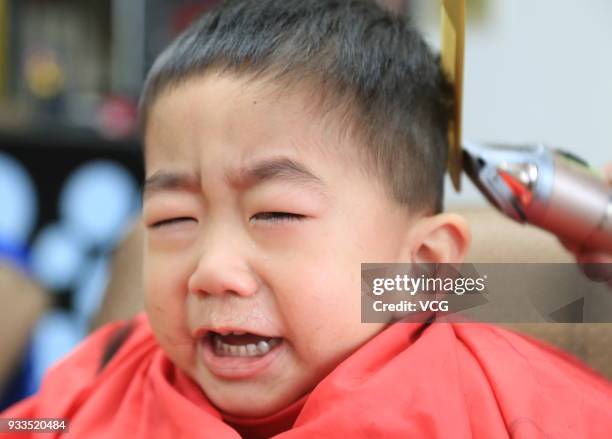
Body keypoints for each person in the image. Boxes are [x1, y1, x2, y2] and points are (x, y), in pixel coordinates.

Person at [2, 0, 611, 437]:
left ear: (423, 265)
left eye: (275, 213)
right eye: (172, 219)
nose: (211, 272)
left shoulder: (510, 406)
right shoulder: (97, 382)